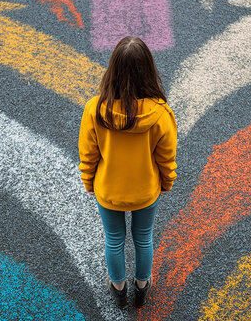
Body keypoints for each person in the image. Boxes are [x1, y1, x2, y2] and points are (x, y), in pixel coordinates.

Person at [78, 36, 177, 309]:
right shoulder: (160, 113)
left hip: (109, 190)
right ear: (148, 71)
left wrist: (89, 181)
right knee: (143, 237)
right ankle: (142, 286)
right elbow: (166, 157)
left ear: (112, 70)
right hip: (146, 190)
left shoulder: (95, 110)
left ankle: (119, 288)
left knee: (114, 239)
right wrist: (166, 182)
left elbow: (89, 155)